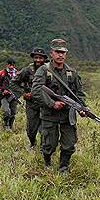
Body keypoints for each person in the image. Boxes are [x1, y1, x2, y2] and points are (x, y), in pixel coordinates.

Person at [31, 39, 85, 173]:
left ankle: (63, 168)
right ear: (52, 53)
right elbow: (36, 91)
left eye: (63, 52)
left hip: (67, 114)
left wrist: (82, 107)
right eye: (57, 52)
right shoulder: (44, 70)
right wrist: (52, 103)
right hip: (50, 114)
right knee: (49, 144)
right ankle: (47, 161)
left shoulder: (72, 72)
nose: (60, 55)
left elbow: (79, 93)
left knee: (69, 143)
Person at [17, 48, 48, 148]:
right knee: (31, 129)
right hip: (31, 104)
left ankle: (44, 148)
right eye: (36, 58)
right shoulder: (27, 70)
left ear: (44, 59)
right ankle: (32, 143)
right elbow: (13, 83)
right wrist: (23, 93)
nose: (38, 60)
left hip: (45, 104)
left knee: (45, 129)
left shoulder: (49, 70)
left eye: (40, 58)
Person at [0, 57, 22, 130]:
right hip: (4, 95)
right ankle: (6, 126)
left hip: (14, 96)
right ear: (7, 65)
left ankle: (11, 126)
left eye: (13, 65)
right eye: (10, 65)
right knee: (6, 111)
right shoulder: (3, 73)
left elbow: (20, 84)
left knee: (13, 112)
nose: (11, 66)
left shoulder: (17, 73)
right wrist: (3, 90)